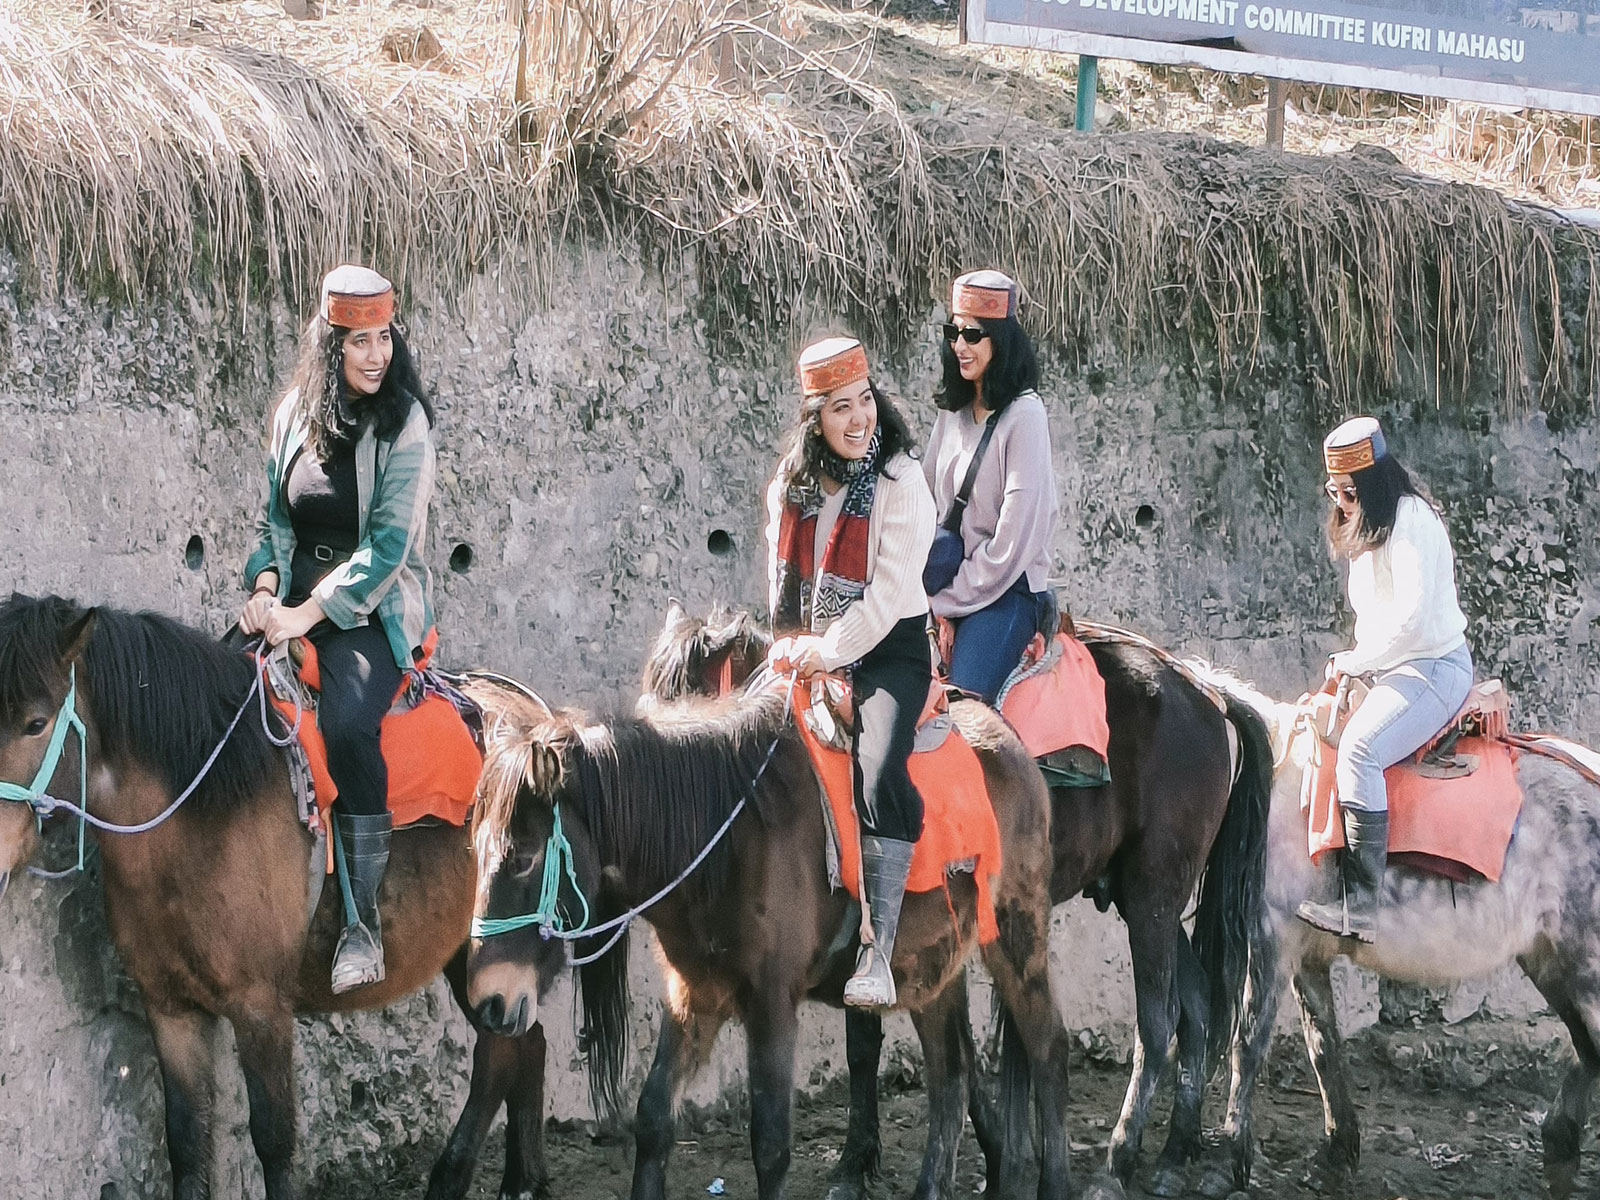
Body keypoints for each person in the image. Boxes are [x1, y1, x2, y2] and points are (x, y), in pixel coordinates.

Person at [239, 264, 439, 994]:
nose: (374, 355)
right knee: (222, 700)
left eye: (384, 338)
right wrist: (265, 589)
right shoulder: (294, 412)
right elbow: (273, 519)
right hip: (290, 601)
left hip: (369, 611)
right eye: (358, 341)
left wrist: (303, 613)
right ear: (331, 345)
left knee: (352, 728)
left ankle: (363, 924)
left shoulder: (406, 424)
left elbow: (387, 550)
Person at [764, 337, 936, 1009]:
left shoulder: (901, 480)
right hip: (808, 644)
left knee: (880, 768)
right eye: (841, 408)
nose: (859, 418)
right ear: (815, 418)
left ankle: (878, 948)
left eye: (865, 401)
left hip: (888, 649)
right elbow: (780, 581)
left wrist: (827, 653)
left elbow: (888, 598)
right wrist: (793, 647)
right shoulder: (792, 485)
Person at [1297, 416, 1473, 944]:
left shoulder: (1414, 521)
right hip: (1393, 666)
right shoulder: (1368, 529)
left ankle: (1365, 906)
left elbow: (1412, 621)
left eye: (1349, 491)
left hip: (1434, 666)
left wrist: (1359, 660)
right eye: (1334, 490)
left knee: (1358, 750)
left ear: (1373, 481)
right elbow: (1373, 619)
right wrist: (1355, 664)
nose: (1341, 502)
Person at [923, 270, 1059, 704]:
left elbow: (1009, 547)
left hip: (1005, 592)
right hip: (940, 582)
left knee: (963, 712)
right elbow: (924, 500)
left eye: (973, 335)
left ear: (1000, 339)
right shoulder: (953, 410)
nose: (959, 345)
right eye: (954, 332)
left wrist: (947, 602)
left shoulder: (1026, 416)